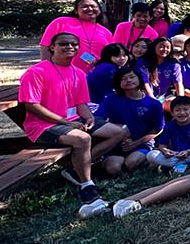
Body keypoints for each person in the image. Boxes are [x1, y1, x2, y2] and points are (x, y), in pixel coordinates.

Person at [19, 33, 125, 219]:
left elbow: (81, 103)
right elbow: (32, 106)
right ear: (52, 47)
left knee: (118, 132)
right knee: (83, 138)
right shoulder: (36, 72)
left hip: (74, 118)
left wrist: (90, 118)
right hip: (43, 125)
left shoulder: (78, 73)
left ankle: (74, 170)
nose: (70, 47)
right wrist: (65, 122)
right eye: (64, 44)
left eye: (74, 44)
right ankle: (87, 185)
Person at [94, 66, 165, 176]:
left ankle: (149, 160)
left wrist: (135, 143)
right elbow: (98, 119)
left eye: (132, 77)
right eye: (123, 78)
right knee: (113, 168)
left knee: (131, 163)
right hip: (115, 144)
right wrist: (119, 129)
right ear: (118, 83)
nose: (128, 80)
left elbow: (157, 129)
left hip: (141, 144)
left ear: (139, 79)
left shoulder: (154, 104)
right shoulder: (111, 99)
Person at [40, 0, 112, 73]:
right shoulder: (62, 22)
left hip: (96, 75)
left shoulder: (105, 31)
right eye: (85, 6)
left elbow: (112, 55)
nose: (90, 9)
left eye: (93, 6)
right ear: (76, 11)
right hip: (65, 72)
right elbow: (45, 45)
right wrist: (47, 68)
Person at [146, 96, 190, 172]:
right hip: (175, 155)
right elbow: (162, 145)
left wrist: (188, 151)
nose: (182, 113)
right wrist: (165, 151)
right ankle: (187, 164)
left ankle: (171, 166)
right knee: (151, 155)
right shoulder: (169, 126)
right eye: (177, 110)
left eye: (185, 109)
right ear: (172, 113)